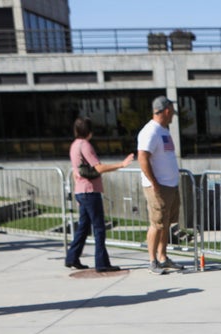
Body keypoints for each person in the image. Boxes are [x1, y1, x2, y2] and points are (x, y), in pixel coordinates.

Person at [67, 117, 135, 272]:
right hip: (90, 190)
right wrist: (121, 164)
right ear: (89, 131)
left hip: (80, 190)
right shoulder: (85, 145)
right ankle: (102, 263)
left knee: (83, 227)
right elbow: (98, 168)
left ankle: (72, 257)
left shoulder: (74, 145)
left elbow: (75, 170)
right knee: (99, 228)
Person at [138, 95, 182, 275]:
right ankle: (152, 260)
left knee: (166, 224)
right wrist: (154, 183)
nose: (173, 116)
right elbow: (142, 157)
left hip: (169, 185)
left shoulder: (164, 130)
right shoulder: (150, 131)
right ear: (166, 111)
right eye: (171, 112)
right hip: (158, 187)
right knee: (156, 224)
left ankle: (163, 257)